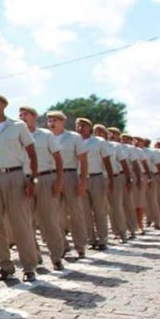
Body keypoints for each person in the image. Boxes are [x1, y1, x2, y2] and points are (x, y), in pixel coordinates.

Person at [0, 94, 39, 282]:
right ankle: (5, 266)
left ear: (4, 105)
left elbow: (31, 152)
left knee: (20, 223)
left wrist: (31, 179)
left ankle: (29, 266)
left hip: (15, 176)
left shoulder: (17, 127)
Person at [19, 106, 65, 271]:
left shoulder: (46, 135)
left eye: (25, 114)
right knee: (26, 222)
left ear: (34, 117)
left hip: (45, 178)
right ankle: (35, 255)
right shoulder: (17, 135)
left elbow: (58, 159)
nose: (22, 117)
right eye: (20, 114)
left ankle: (56, 256)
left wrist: (59, 180)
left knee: (49, 221)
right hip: (24, 179)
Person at [46, 111, 89, 259]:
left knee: (75, 212)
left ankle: (80, 245)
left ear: (62, 122)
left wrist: (83, 181)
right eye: (49, 120)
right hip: (50, 175)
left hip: (69, 175)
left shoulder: (73, 138)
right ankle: (62, 245)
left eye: (55, 120)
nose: (51, 123)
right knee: (54, 214)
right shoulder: (45, 137)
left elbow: (83, 160)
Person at [76, 119, 113, 251]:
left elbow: (107, 161)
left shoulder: (99, 142)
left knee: (99, 210)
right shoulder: (75, 141)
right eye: (78, 125)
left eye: (84, 126)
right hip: (80, 178)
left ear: (89, 128)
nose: (80, 128)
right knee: (85, 211)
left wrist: (110, 179)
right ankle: (91, 239)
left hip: (96, 177)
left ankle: (102, 239)